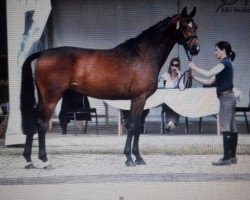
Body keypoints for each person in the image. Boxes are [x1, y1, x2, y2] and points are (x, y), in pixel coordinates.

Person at [188, 41, 237, 166]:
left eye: (216, 50)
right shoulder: (225, 64)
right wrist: (194, 78)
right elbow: (209, 81)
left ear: (223, 50)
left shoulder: (224, 63)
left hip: (226, 98)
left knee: (226, 128)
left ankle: (226, 158)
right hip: (229, 97)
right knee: (232, 128)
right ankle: (232, 157)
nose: (215, 53)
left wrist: (194, 67)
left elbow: (209, 73)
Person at [160, 57, 182, 132]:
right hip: (166, 99)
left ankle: (169, 123)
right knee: (169, 103)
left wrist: (179, 75)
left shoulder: (180, 76)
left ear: (179, 66)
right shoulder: (165, 75)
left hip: (177, 100)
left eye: (176, 65)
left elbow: (183, 88)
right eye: (172, 65)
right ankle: (171, 123)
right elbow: (161, 87)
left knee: (177, 104)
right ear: (170, 66)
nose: (174, 67)